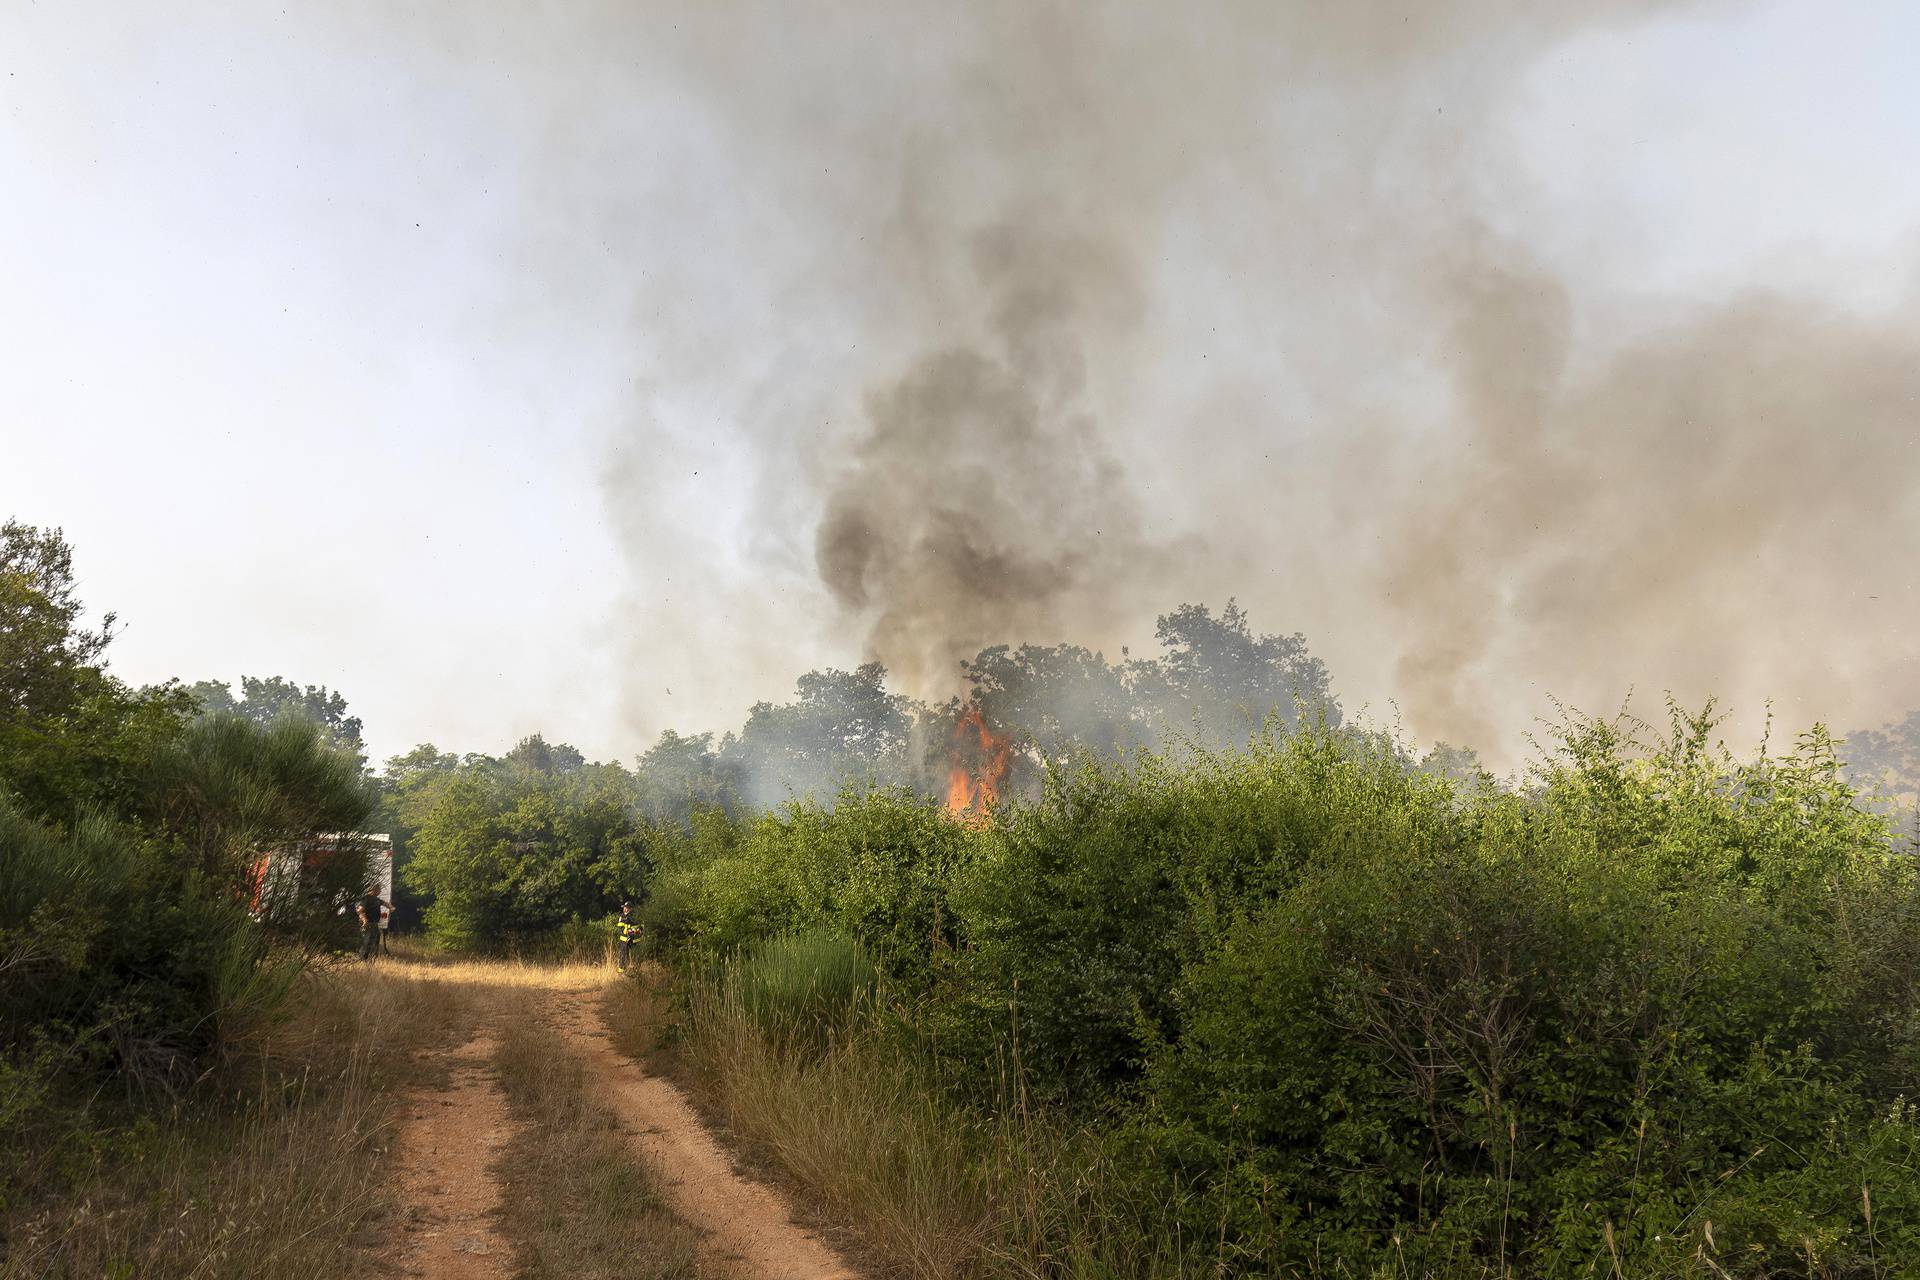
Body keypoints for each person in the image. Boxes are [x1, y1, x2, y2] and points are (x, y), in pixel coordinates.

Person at [356, 887, 383, 961]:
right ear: (373, 890)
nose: (380, 891)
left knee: (375, 939)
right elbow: (360, 910)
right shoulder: (366, 899)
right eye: (379, 890)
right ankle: (363, 958)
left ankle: (371, 957)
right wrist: (365, 920)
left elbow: (384, 903)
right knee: (367, 940)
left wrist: (390, 907)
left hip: (374, 923)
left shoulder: (376, 899)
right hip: (368, 923)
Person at [615, 901, 641, 971]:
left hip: (633, 939)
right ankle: (621, 971)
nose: (624, 909)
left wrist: (631, 933)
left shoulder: (634, 916)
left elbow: (638, 928)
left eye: (626, 908)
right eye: (624, 908)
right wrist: (624, 931)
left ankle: (636, 971)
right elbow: (619, 927)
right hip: (623, 939)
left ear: (630, 908)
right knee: (622, 956)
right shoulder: (621, 916)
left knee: (635, 955)